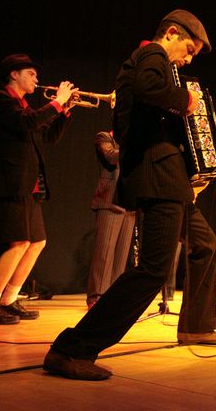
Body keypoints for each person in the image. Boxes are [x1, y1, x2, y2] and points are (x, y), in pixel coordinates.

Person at [44, 9, 216, 381]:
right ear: (173, 34)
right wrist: (186, 101)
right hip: (158, 175)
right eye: (190, 48)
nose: (189, 57)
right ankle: (72, 348)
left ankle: (195, 325)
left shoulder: (157, 61)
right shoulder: (152, 54)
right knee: (152, 271)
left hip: (171, 177)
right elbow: (150, 89)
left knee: (206, 244)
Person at [0, 54, 75, 325]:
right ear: (14, 75)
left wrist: (63, 113)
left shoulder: (24, 107)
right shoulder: (1, 101)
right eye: (31, 73)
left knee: (37, 242)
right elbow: (28, 123)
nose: (37, 79)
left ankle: (8, 299)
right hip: (9, 183)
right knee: (18, 242)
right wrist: (57, 102)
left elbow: (49, 137)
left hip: (27, 186)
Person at [85, 131, 136, 308]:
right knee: (104, 253)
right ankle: (96, 296)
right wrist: (136, 145)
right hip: (109, 201)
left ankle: (113, 296)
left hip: (129, 203)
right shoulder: (105, 137)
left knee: (121, 256)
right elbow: (111, 157)